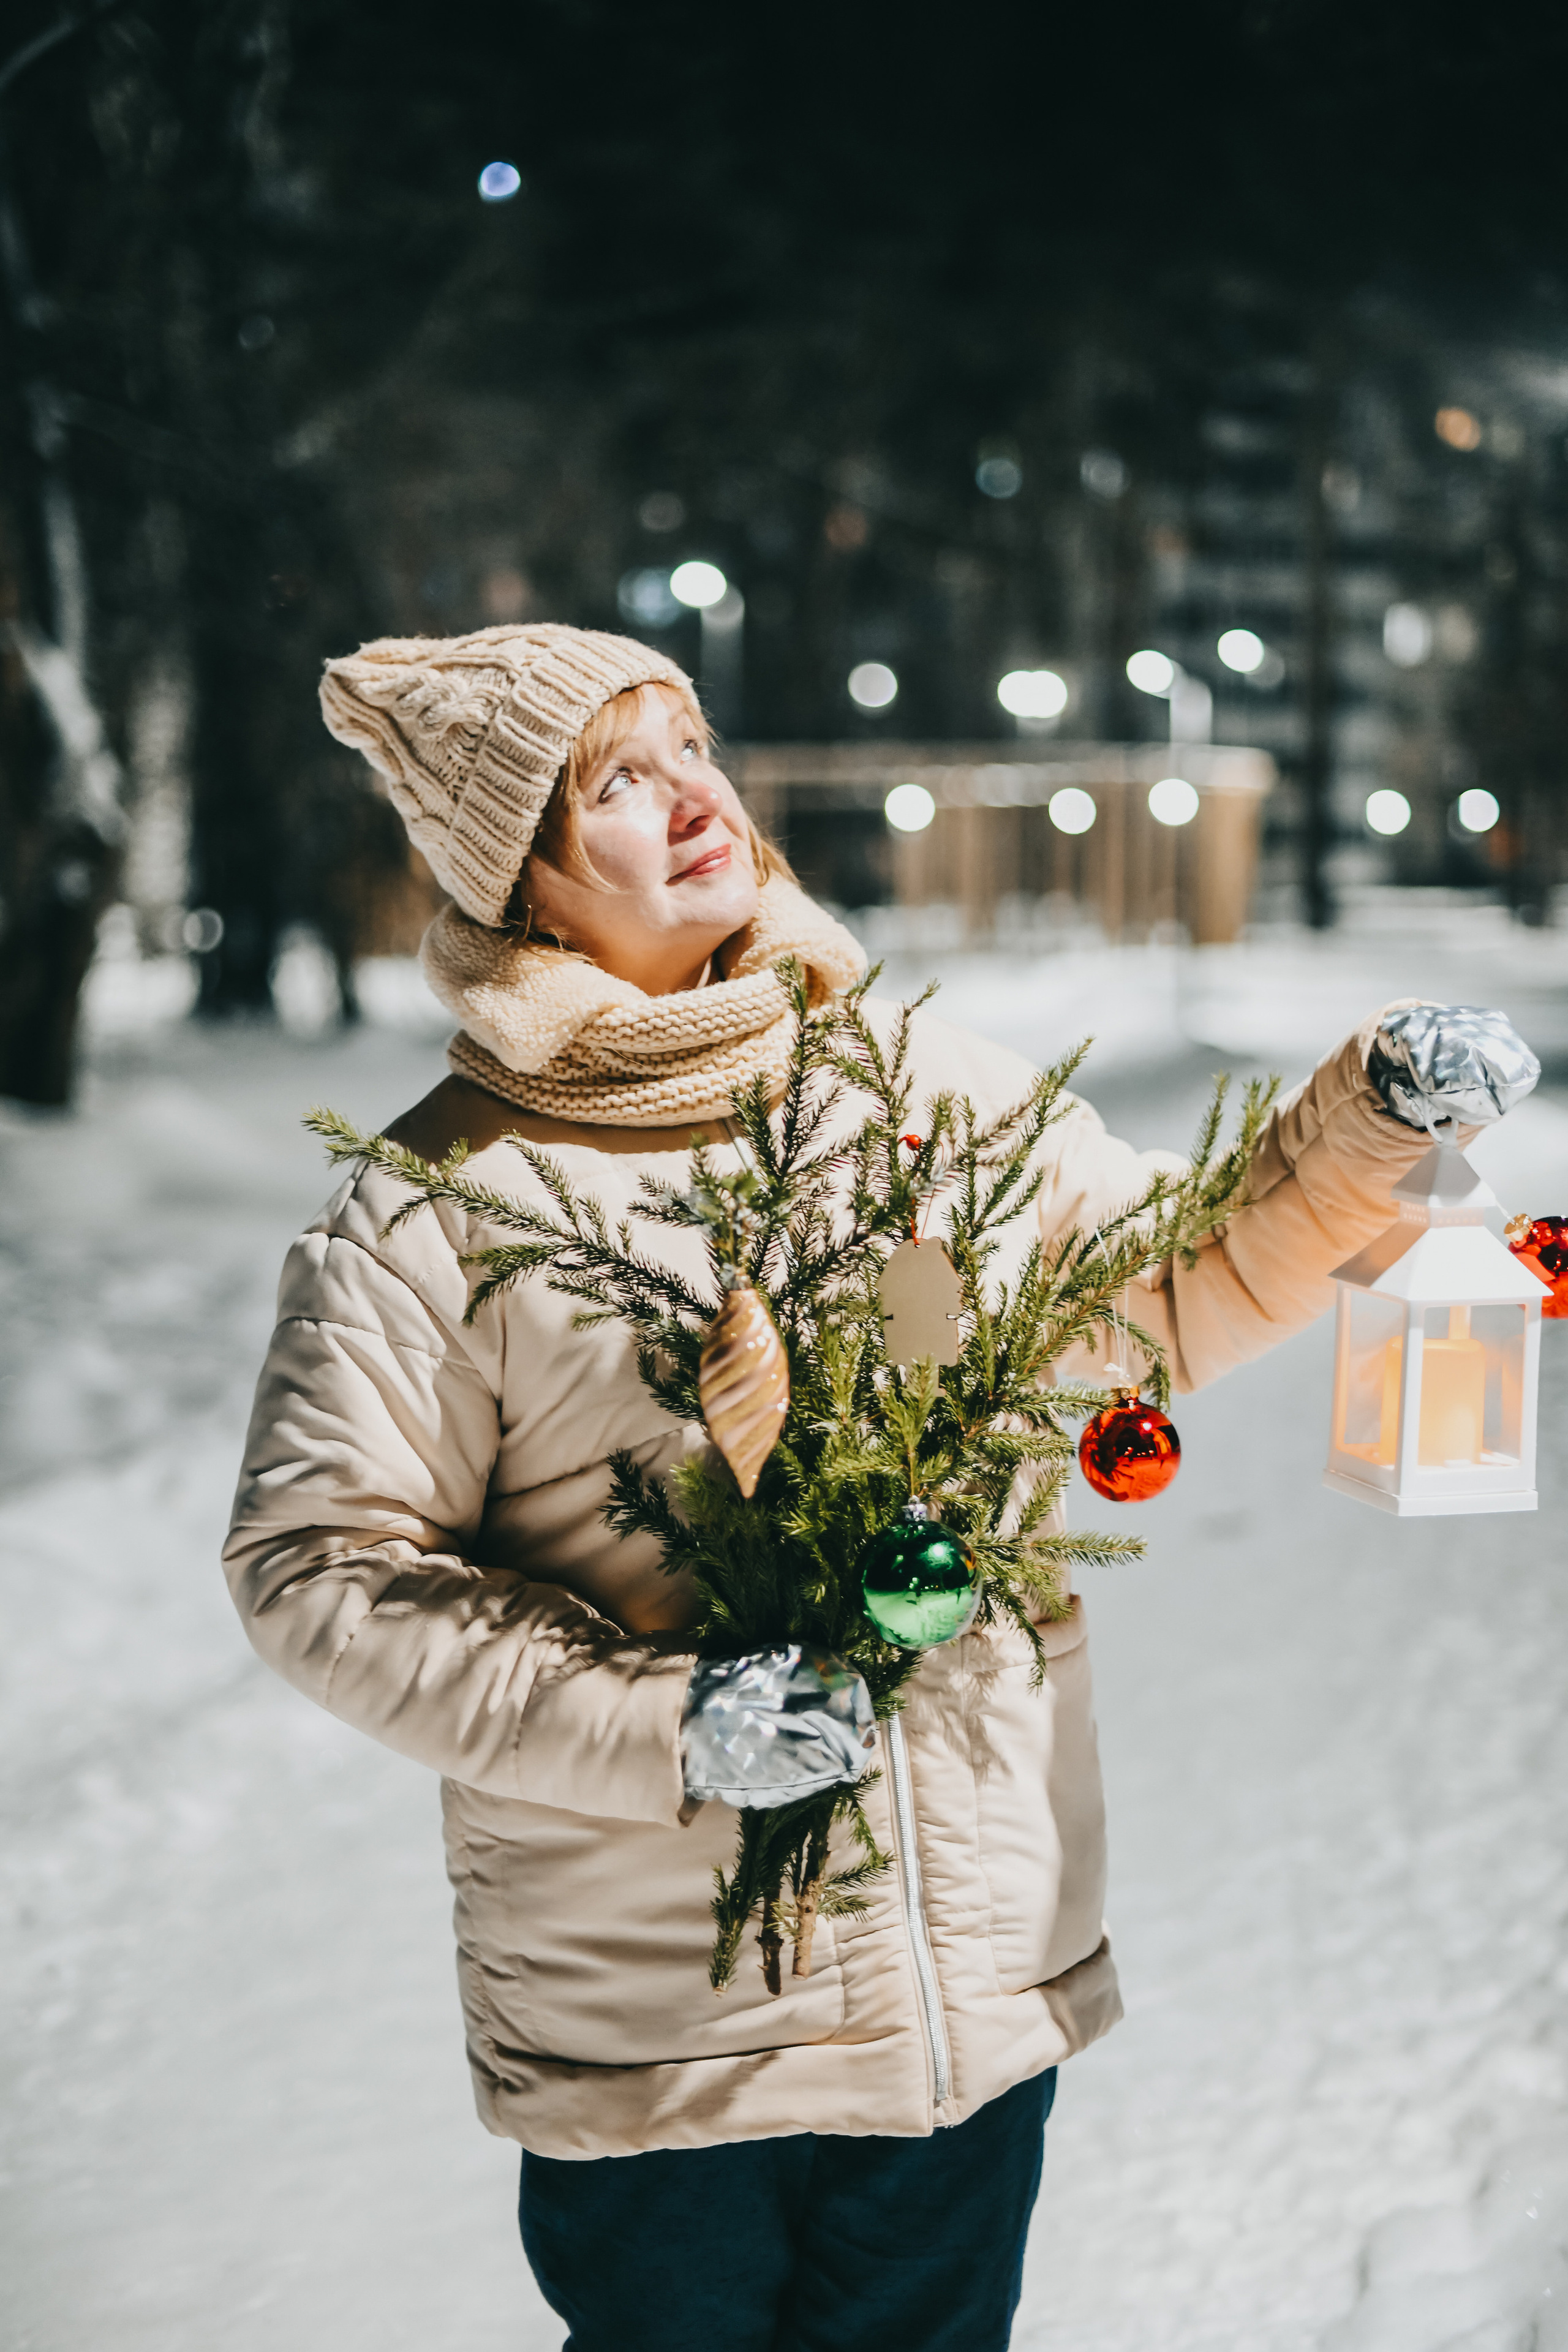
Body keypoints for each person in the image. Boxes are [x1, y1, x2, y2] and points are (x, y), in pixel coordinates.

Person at [224, 623, 1458, 2351]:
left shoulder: (912, 1091)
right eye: (618, 780)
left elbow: (1163, 1284)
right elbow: (322, 1571)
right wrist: (675, 1724)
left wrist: (1372, 1123)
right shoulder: (442, 1204)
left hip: (961, 2002)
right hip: (670, 2050)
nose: (694, 798)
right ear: (523, 882)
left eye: (691, 746)